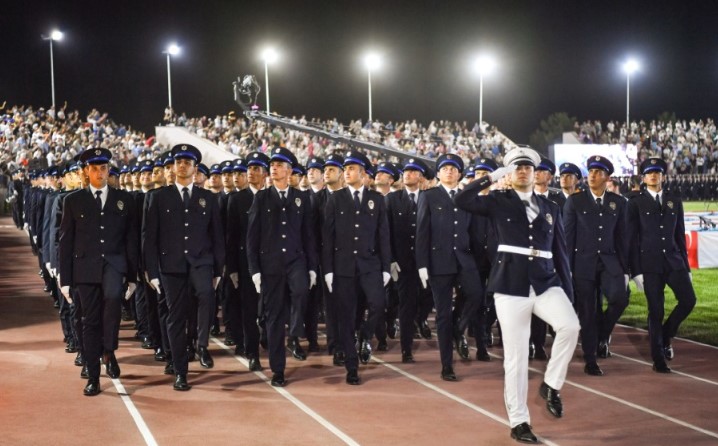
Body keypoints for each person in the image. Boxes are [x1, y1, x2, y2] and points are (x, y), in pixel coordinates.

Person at [455, 146, 580, 444]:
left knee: (570, 326)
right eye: (517, 167)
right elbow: (461, 199)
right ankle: (519, 421)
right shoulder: (499, 200)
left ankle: (551, 384)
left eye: (527, 167)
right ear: (510, 173)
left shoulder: (550, 208)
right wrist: (490, 179)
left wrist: (569, 291)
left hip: (545, 280)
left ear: (536, 172)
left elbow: (560, 251)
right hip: (510, 283)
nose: (523, 171)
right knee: (516, 357)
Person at [143, 144, 225, 391]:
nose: (182, 166)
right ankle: (180, 370)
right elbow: (149, 238)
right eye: (179, 161)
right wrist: (152, 272)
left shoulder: (207, 198)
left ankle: (201, 344)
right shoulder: (159, 196)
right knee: (176, 318)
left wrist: (219, 270)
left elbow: (217, 236)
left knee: (205, 296)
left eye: (187, 162)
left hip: (201, 263)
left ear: (195, 168)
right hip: (172, 267)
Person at [59, 148, 139, 396]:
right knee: (89, 320)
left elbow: (131, 240)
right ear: (86, 171)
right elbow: (65, 241)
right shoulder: (72, 201)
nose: (99, 172)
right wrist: (65, 279)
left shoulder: (123, 199)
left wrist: (133, 276)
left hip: (114, 265)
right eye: (94, 168)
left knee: (113, 305)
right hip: (84, 269)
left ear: (108, 170)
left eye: (103, 168)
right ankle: (93, 375)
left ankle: (109, 350)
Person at [246, 147, 318, 387]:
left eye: (279, 165)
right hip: (270, 265)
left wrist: (312, 267)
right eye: (272, 165)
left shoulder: (301, 197)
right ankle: (278, 369)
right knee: (274, 319)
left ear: (289, 170)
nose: (274, 168)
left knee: (300, 291)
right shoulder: (261, 198)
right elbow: (252, 237)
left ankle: (296, 330)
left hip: (296, 260)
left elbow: (309, 235)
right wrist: (254, 269)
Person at [322, 150, 391, 385]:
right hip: (343, 267)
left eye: (352, 169)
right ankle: (352, 367)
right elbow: (328, 237)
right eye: (346, 169)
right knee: (346, 317)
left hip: (370, 264)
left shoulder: (376, 199)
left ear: (363, 173)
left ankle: (366, 334)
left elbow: (383, 235)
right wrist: (328, 269)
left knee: (379, 305)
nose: (347, 172)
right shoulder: (335, 198)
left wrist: (385, 266)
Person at [415, 153, 483, 380]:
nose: (450, 171)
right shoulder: (429, 196)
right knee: (442, 314)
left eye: (454, 168)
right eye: (445, 168)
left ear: (460, 174)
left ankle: (458, 326)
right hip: (438, 262)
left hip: (464, 259)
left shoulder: (466, 197)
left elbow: (472, 231)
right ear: (439, 173)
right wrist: (422, 264)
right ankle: (447, 365)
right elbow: (422, 232)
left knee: (476, 294)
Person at [627, 157, 696, 373]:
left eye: (657, 172)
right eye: (649, 173)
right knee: (655, 310)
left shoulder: (674, 202)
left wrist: (686, 266)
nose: (654, 176)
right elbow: (631, 239)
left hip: (674, 261)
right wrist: (635, 271)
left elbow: (679, 236)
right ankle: (658, 359)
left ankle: (666, 335)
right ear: (644, 177)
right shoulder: (635, 203)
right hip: (649, 265)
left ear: (663, 176)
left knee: (688, 300)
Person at [563, 156, 629, 376]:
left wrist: (626, 270)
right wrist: (567, 269)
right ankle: (591, 359)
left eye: (598, 172)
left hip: (610, 262)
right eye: (590, 171)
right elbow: (568, 237)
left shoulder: (618, 202)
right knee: (588, 312)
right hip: (583, 264)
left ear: (607, 177)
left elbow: (622, 238)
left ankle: (602, 333)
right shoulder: (575, 201)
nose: (592, 175)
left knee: (620, 298)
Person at [226, 151, 271, 371]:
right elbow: (231, 237)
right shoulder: (237, 199)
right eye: (249, 169)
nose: (251, 173)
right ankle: (252, 352)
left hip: (272, 263)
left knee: (271, 308)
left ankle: (269, 340)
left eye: (256, 169)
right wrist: (232, 268)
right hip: (246, 265)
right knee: (249, 309)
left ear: (265, 174)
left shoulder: (274, 197)